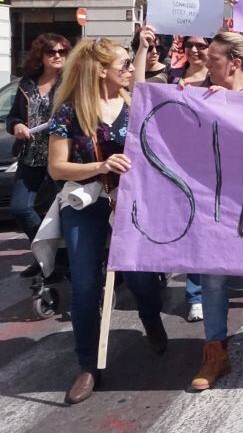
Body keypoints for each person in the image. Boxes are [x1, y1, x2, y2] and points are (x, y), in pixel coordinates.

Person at [47, 38, 166, 404]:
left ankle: (150, 316)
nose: (129, 70)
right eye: (123, 65)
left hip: (128, 205)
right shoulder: (69, 111)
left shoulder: (134, 106)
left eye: (131, 64)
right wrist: (100, 166)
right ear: (101, 70)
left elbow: (147, 89)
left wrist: (144, 48)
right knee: (85, 286)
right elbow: (56, 167)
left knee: (141, 278)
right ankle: (88, 365)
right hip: (84, 204)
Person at [187, 32, 243, 391]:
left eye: (214, 60)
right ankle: (216, 353)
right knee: (212, 277)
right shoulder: (202, 99)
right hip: (212, 204)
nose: (206, 65)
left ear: (235, 64)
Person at [133, 25, 205, 322]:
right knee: (182, 226)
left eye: (202, 45)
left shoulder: (218, 77)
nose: (196, 50)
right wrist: (141, 47)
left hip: (208, 166)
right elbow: (139, 87)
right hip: (172, 163)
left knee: (201, 230)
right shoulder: (172, 77)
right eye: (190, 45)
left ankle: (197, 295)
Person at [7, 33, 68, 276]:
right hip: (30, 156)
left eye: (62, 52)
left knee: (62, 213)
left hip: (60, 159)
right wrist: (17, 127)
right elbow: (13, 117)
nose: (57, 56)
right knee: (20, 208)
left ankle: (59, 262)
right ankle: (45, 254)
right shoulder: (27, 83)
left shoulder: (70, 82)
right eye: (51, 52)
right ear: (40, 56)